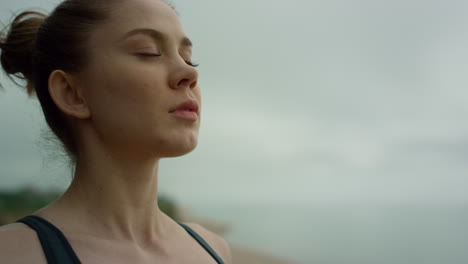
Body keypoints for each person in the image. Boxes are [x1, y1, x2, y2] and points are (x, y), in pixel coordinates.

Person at [0, 0, 232, 263]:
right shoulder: (12, 253)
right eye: (150, 52)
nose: (189, 72)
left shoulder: (213, 250)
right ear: (72, 93)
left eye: (188, 57)